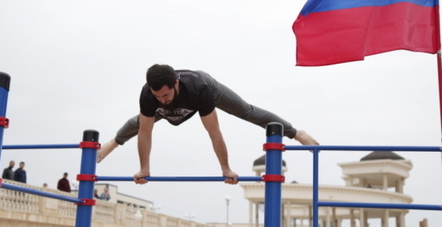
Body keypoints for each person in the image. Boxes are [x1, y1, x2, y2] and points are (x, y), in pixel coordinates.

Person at [97, 64, 319, 185]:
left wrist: (226, 169)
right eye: (157, 96)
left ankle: (296, 133)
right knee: (138, 122)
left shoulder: (198, 88)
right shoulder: (150, 95)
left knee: (245, 111)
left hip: (208, 90)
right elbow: (145, 132)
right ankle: (113, 143)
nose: (161, 99)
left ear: (175, 83)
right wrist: (144, 168)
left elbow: (214, 132)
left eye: (165, 94)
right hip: (175, 107)